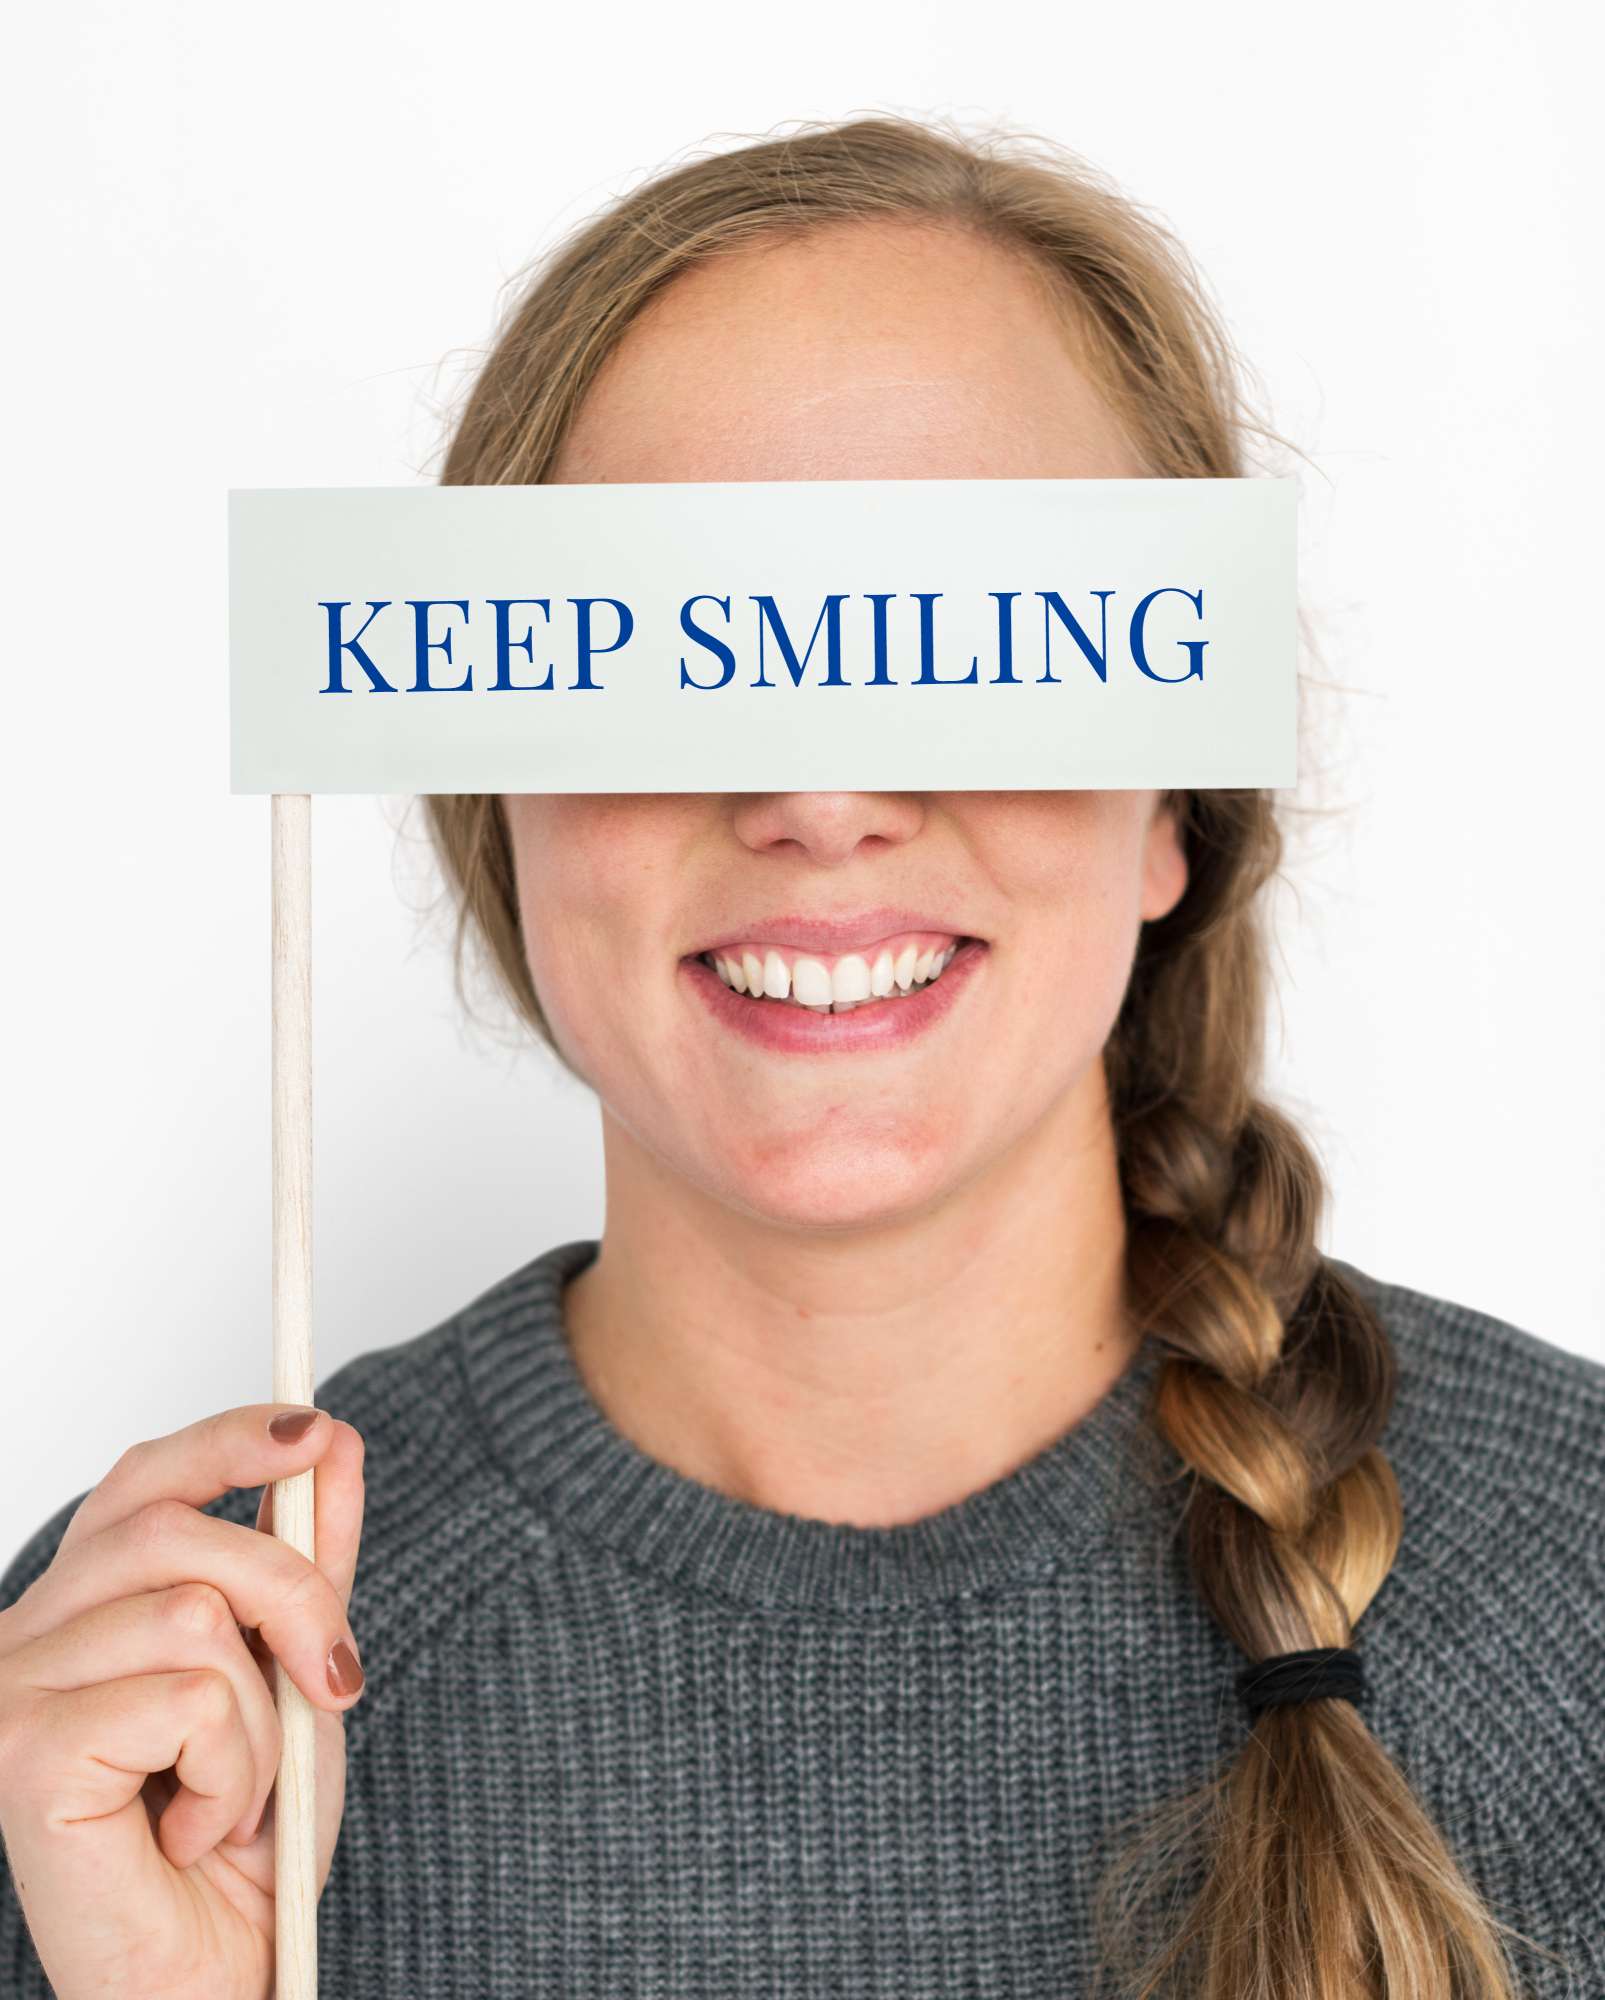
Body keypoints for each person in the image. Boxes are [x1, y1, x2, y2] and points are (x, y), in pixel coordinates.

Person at [2, 113, 1601, 2000]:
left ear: (1171, 798)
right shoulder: (133, 1729)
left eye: (976, 636)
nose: (820, 797)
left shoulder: (1570, 1593)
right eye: (660, 639)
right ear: (499, 790)